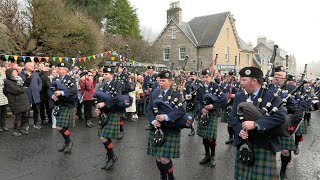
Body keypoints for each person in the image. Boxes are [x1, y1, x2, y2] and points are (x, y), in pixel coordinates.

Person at [230, 66, 286, 179]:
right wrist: (239, 131)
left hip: (263, 144)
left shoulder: (271, 96)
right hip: (244, 144)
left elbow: (281, 117)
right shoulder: (240, 96)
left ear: (254, 81)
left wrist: (256, 124)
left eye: (243, 80)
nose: (240, 82)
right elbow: (233, 117)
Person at [147, 70, 186, 180]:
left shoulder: (176, 95)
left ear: (170, 82)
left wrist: (166, 117)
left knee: (164, 158)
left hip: (170, 129)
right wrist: (153, 121)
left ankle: (171, 176)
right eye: (160, 80)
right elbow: (149, 109)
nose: (160, 83)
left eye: (163, 81)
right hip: (157, 128)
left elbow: (181, 111)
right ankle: (163, 176)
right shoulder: (154, 93)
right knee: (158, 157)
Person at [195, 69, 227, 167]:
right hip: (203, 114)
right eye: (203, 77)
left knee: (210, 137)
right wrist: (202, 110)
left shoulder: (215, 86)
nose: (205, 79)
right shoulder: (199, 88)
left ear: (210, 77)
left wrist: (212, 106)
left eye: (207, 77)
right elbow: (197, 101)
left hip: (212, 114)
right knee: (204, 136)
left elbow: (224, 99)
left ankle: (213, 156)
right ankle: (207, 155)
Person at [94, 66, 123, 170]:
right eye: (104, 74)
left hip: (113, 112)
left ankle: (111, 156)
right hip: (104, 113)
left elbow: (117, 98)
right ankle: (111, 156)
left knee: (104, 137)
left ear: (112, 75)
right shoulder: (103, 85)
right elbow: (98, 97)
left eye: (107, 74)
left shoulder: (117, 84)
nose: (105, 75)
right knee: (105, 137)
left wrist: (104, 104)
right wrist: (98, 107)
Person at [48, 62, 78, 154]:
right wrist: (53, 96)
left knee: (60, 126)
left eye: (60, 68)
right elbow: (50, 90)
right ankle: (67, 143)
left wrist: (62, 93)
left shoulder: (71, 79)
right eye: (58, 68)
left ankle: (69, 141)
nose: (57, 70)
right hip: (59, 104)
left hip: (68, 104)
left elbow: (74, 90)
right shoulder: (55, 79)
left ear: (65, 70)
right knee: (62, 126)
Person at [4, 68, 30, 137]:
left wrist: (27, 78)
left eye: (16, 71)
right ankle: (15, 130)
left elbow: (25, 85)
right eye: (14, 72)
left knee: (25, 116)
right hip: (15, 102)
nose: (16, 73)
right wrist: (24, 89)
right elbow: (16, 90)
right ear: (10, 73)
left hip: (23, 100)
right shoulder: (8, 82)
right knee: (18, 117)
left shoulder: (19, 79)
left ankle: (21, 129)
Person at [20, 62, 42, 129]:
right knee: (26, 111)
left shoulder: (35, 73)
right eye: (32, 66)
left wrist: (38, 89)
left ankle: (36, 123)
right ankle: (25, 124)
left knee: (36, 110)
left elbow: (40, 82)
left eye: (33, 66)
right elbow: (21, 84)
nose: (33, 67)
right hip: (27, 95)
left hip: (35, 95)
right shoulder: (21, 74)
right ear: (27, 66)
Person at [220, 69, 239, 144]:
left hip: (235, 104)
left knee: (235, 122)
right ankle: (231, 137)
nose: (231, 77)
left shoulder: (238, 83)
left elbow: (243, 93)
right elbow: (221, 91)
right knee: (229, 122)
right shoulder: (225, 84)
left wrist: (235, 95)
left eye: (232, 75)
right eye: (230, 75)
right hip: (227, 104)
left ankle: (236, 137)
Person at [0, 67, 9, 132]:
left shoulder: (4, 77)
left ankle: (3, 126)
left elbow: (6, 82)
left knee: (3, 113)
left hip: (4, 98)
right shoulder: (2, 77)